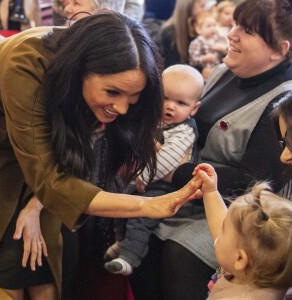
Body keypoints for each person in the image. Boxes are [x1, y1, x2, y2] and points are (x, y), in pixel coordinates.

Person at [0, 11, 201, 300]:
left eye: (133, 98)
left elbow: (55, 170)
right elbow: (49, 177)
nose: (123, 109)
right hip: (1, 155)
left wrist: (37, 202)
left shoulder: (88, 65)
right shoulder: (25, 63)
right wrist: (147, 205)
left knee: (48, 259)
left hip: (46, 163)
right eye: (113, 92)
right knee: (11, 258)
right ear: (80, 69)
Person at [129, 0, 292, 299]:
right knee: (134, 229)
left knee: (179, 251)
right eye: (235, 24)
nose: (232, 34)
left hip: (237, 210)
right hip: (189, 188)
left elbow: (255, 185)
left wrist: (173, 173)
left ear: (279, 50)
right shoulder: (223, 71)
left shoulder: (282, 102)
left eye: (247, 31)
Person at [103, 64, 203, 276]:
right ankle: (122, 242)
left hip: (164, 187)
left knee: (141, 217)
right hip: (146, 177)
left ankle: (130, 257)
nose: (170, 106)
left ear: (194, 108)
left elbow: (169, 158)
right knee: (120, 204)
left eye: (180, 103)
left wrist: (144, 176)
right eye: (165, 98)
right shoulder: (158, 120)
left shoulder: (184, 130)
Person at [192, 163, 292, 299]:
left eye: (223, 230)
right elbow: (220, 221)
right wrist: (211, 192)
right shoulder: (250, 269)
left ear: (240, 258)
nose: (219, 231)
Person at [157, 0, 206, 68]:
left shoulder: (199, 27)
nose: (204, 11)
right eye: (202, 6)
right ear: (189, 7)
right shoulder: (169, 32)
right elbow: (171, 64)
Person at [188, 11, 226, 79]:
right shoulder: (197, 43)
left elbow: (224, 54)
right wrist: (204, 58)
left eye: (214, 25)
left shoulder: (217, 40)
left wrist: (222, 49)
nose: (212, 28)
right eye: (208, 26)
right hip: (203, 74)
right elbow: (193, 60)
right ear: (199, 29)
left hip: (217, 71)